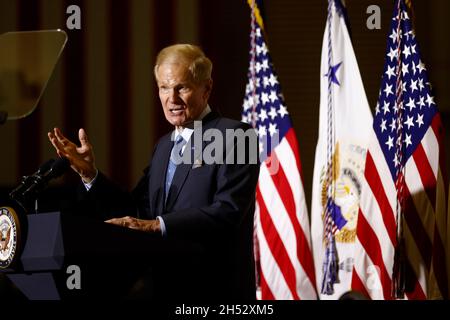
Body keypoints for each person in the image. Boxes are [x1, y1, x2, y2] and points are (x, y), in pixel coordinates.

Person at [48, 44, 259, 300]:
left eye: (182, 87)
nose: (172, 98)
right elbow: (136, 212)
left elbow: (228, 211)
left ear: (207, 88)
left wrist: (156, 226)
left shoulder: (236, 135)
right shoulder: (164, 146)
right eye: (164, 87)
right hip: (164, 289)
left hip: (215, 292)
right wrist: (90, 175)